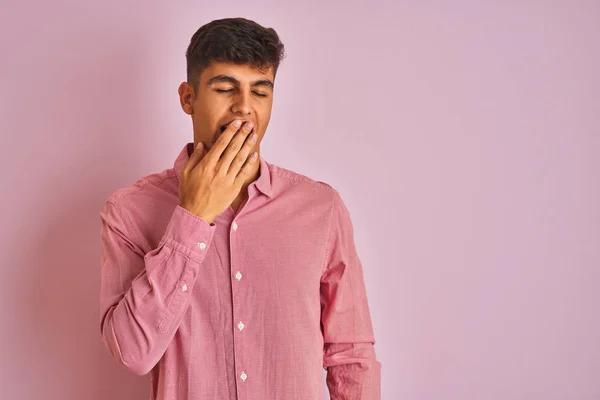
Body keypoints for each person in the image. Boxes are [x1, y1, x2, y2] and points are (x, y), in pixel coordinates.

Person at [99, 17, 381, 400]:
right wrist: (193, 217)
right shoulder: (129, 211)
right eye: (225, 88)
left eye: (260, 92)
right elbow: (133, 352)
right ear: (187, 97)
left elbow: (350, 355)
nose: (244, 108)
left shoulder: (321, 208)